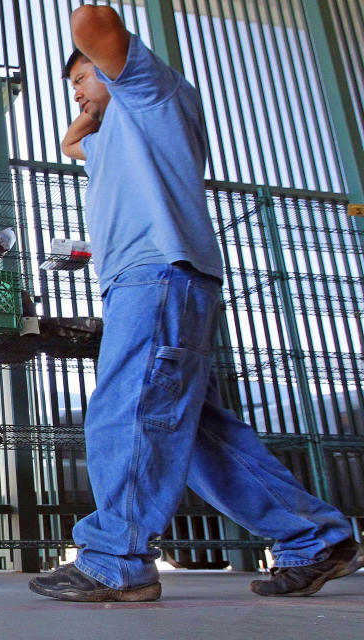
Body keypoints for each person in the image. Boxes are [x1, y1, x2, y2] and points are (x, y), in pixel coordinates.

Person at [26, 5, 363, 603]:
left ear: (115, 68)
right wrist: (86, 112)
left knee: (127, 408)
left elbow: (91, 21)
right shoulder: (114, 136)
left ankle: (115, 560)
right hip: (156, 281)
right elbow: (71, 145)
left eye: (80, 77)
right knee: (203, 438)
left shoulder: (152, 93)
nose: (75, 90)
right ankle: (313, 537)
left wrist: (102, 69)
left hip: (158, 274)